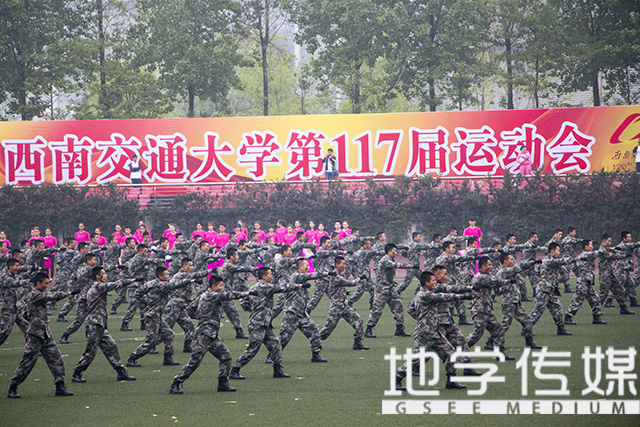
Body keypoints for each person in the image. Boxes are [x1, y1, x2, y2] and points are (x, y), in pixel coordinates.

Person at [169, 275, 248, 394]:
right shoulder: (212, 295)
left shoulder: (203, 295)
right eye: (220, 285)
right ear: (213, 286)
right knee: (195, 361)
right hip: (205, 334)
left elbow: (190, 308)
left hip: (212, 335)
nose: (222, 288)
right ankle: (176, 382)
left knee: (226, 357)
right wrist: (246, 293)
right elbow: (229, 295)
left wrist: (201, 316)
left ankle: (222, 383)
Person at [395, 271, 472, 391]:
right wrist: (463, 297)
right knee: (416, 359)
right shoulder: (425, 295)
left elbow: (411, 309)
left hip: (435, 332)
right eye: (433, 281)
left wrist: (422, 318)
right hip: (424, 334)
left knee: (450, 354)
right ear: (426, 283)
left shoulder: (422, 294)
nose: (435, 283)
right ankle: (397, 378)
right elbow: (443, 297)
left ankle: (451, 381)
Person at [8, 272, 76, 398]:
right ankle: (13, 386)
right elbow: (52, 296)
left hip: (44, 333)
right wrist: (69, 293)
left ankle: (60, 386)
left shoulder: (36, 295)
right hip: (35, 335)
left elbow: (25, 313)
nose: (47, 286)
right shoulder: (34, 294)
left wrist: (41, 318)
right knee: (28, 362)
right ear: (38, 283)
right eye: (45, 283)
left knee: (56, 358)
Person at [229, 267, 304, 380]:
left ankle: (277, 369)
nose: (271, 276)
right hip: (258, 324)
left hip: (264, 323)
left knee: (276, 344)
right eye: (269, 274)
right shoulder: (265, 286)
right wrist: (299, 285)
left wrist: (254, 309)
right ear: (264, 277)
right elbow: (282, 288)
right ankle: (235, 369)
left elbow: (244, 303)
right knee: (253, 349)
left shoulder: (253, 287)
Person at [71, 267, 136, 383]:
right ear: (98, 276)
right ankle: (77, 372)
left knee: (111, 346)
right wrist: (132, 280)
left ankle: (120, 371)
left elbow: (82, 301)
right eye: (104, 274)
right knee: (91, 351)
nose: (106, 276)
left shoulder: (94, 287)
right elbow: (116, 284)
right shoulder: (98, 286)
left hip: (99, 323)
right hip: (94, 324)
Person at [126, 267, 194, 368]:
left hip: (156, 315)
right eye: (166, 275)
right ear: (160, 276)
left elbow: (138, 293)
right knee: (150, 341)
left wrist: (146, 301)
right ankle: (132, 358)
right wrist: (190, 281)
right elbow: (175, 285)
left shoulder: (150, 283)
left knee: (169, 334)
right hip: (152, 316)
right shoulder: (161, 285)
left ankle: (168, 358)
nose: (168, 276)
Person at [365, 243, 416, 338]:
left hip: (390, 288)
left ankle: (399, 328)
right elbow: (396, 265)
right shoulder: (385, 260)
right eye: (394, 251)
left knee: (398, 306)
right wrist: (410, 266)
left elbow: (387, 274)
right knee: (377, 310)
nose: (396, 253)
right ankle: (369, 328)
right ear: (389, 251)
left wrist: (392, 281)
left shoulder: (390, 259)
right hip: (382, 289)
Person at [318, 257, 369, 350]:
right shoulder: (335, 276)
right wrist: (360, 278)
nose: (344, 266)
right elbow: (350, 283)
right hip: (336, 307)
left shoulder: (338, 274)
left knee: (358, 321)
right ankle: (315, 340)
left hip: (344, 305)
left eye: (345, 264)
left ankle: (357, 343)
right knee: (328, 328)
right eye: (343, 264)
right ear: (337, 264)